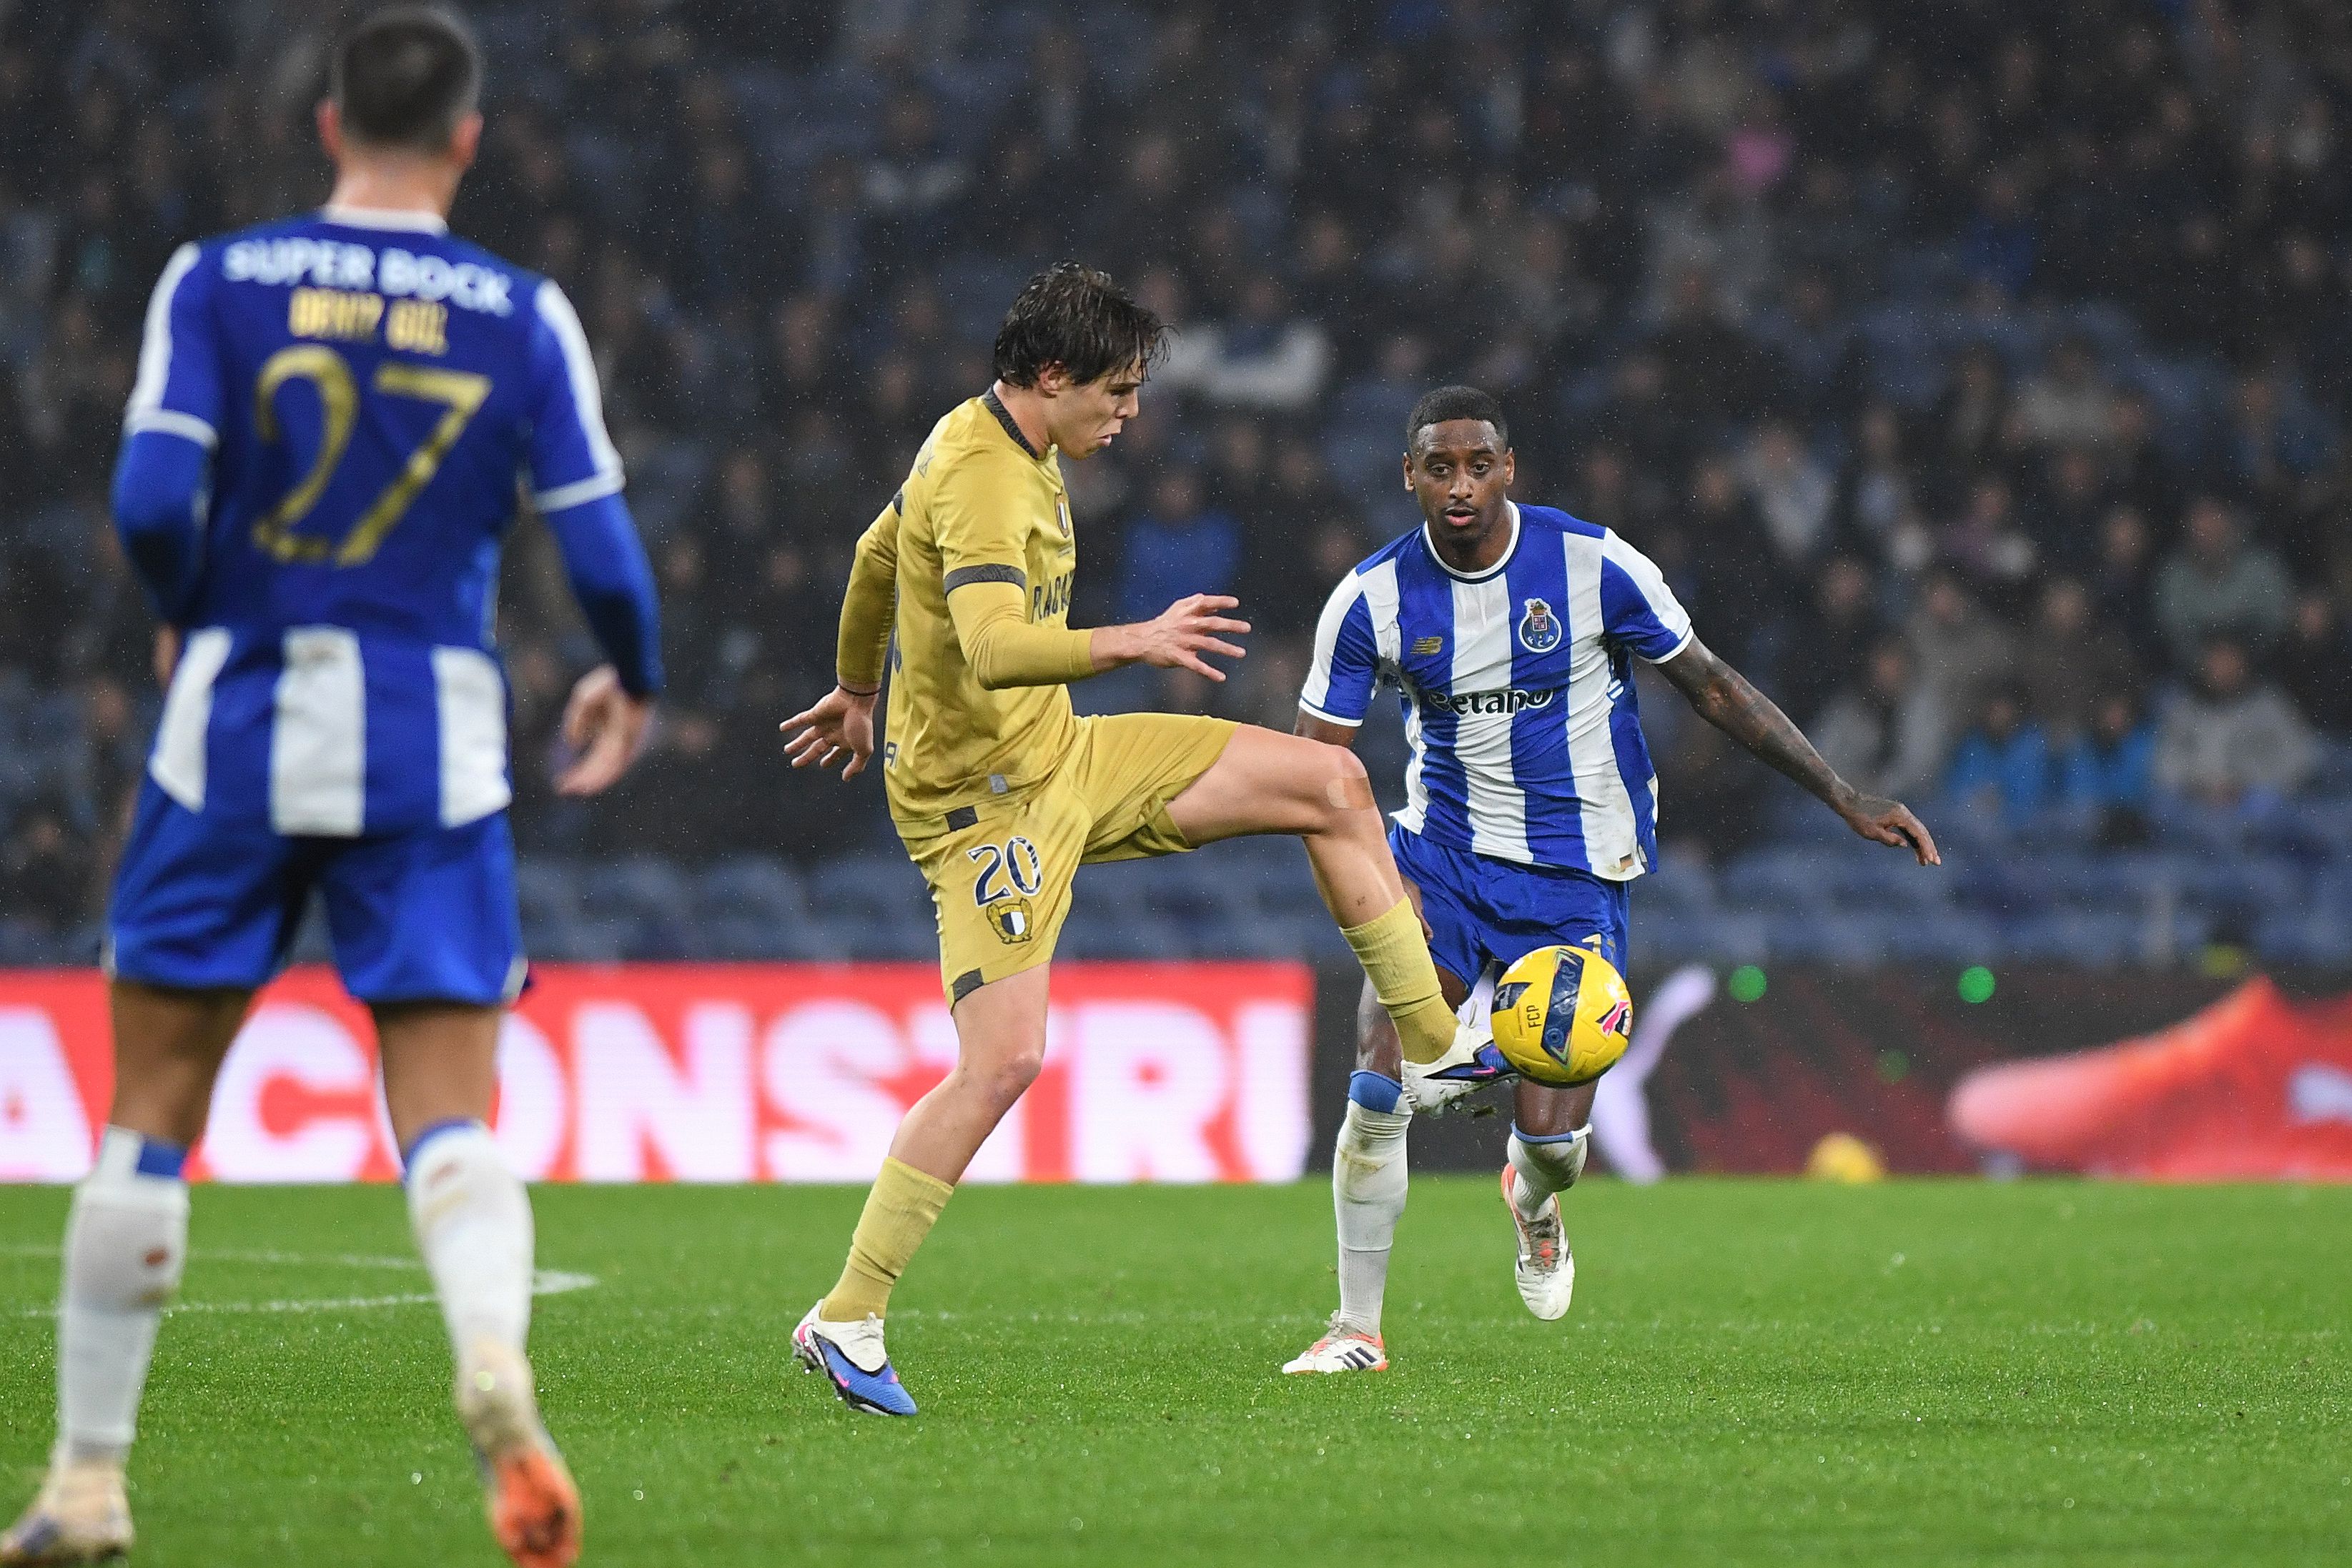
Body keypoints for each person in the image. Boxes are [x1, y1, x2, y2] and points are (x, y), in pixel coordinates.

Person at [1, 12, 661, 1566]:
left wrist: (195, 600)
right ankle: (493, 1359)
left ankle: (89, 1482)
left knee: (149, 1115)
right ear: (468, 139)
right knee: (447, 1117)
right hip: (431, 735)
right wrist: (627, 675)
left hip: (232, 723)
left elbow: (154, 495)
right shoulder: (521, 311)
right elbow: (610, 558)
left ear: (324, 123)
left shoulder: (217, 280)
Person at [777, 264, 1471, 1416]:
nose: (1131, 412)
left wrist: (857, 684)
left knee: (1333, 781)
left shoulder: (1001, 440)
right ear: (1050, 377)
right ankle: (845, 1312)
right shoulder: (983, 477)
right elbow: (995, 647)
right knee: (1003, 1059)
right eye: (1118, 389)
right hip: (985, 808)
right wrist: (1134, 638)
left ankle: (1435, 1046)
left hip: (1063, 755)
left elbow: (873, 556)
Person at [1281, 387, 1938, 1374]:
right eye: (1438, 467)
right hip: (1443, 861)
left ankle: (1533, 1201)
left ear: (1509, 467)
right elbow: (1312, 775)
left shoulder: (1591, 564)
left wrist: (1838, 792)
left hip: (1577, 875)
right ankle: (1354, 1329)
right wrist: (1383, 898)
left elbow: (1712, 686)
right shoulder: (1370, 598)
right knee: (1376, 1085)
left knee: (1552, 1143)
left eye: (1477, 464)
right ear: (1408, 476)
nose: (1459, 486)